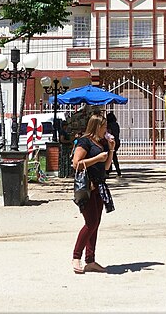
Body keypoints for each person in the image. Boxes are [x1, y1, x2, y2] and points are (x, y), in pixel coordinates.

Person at [71, 113, 115, 274]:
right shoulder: (85, 142)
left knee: (96, 223)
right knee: (90, 222)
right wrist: (96, 158)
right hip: (87, 187)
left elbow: (106, 167)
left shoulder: (101, 142)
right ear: (97, 126)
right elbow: (76, 164)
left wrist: (110, 149)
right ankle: (76, 257)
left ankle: (90, 260)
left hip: (99, 186)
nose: (106, 130)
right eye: (104, 127)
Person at [105, 111, 122, 177]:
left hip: (112, 141)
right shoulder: (116, 124)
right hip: (117, 141)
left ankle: (108, 170)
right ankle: (117, 171)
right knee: (113, 156)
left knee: (111, 155)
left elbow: (109, 133)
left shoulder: (109, 125)